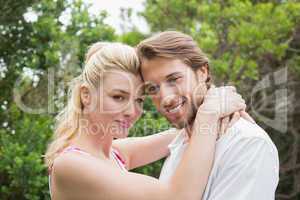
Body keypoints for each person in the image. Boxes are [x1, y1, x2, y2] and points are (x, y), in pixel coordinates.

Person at [44, 42, 246, 200]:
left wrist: (219, 104)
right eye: (118, 97)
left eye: (139, 100)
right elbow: (178, 197)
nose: (132, 111)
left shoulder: (116, 154)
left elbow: (184, 133)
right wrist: (209, 113)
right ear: (86, 95)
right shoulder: (70, 165)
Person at [136, 31, 280, 200]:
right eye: (152, 89)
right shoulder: (180, 143)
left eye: (174, 79)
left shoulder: (246, 142)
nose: (166, 98)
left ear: (202, 72)